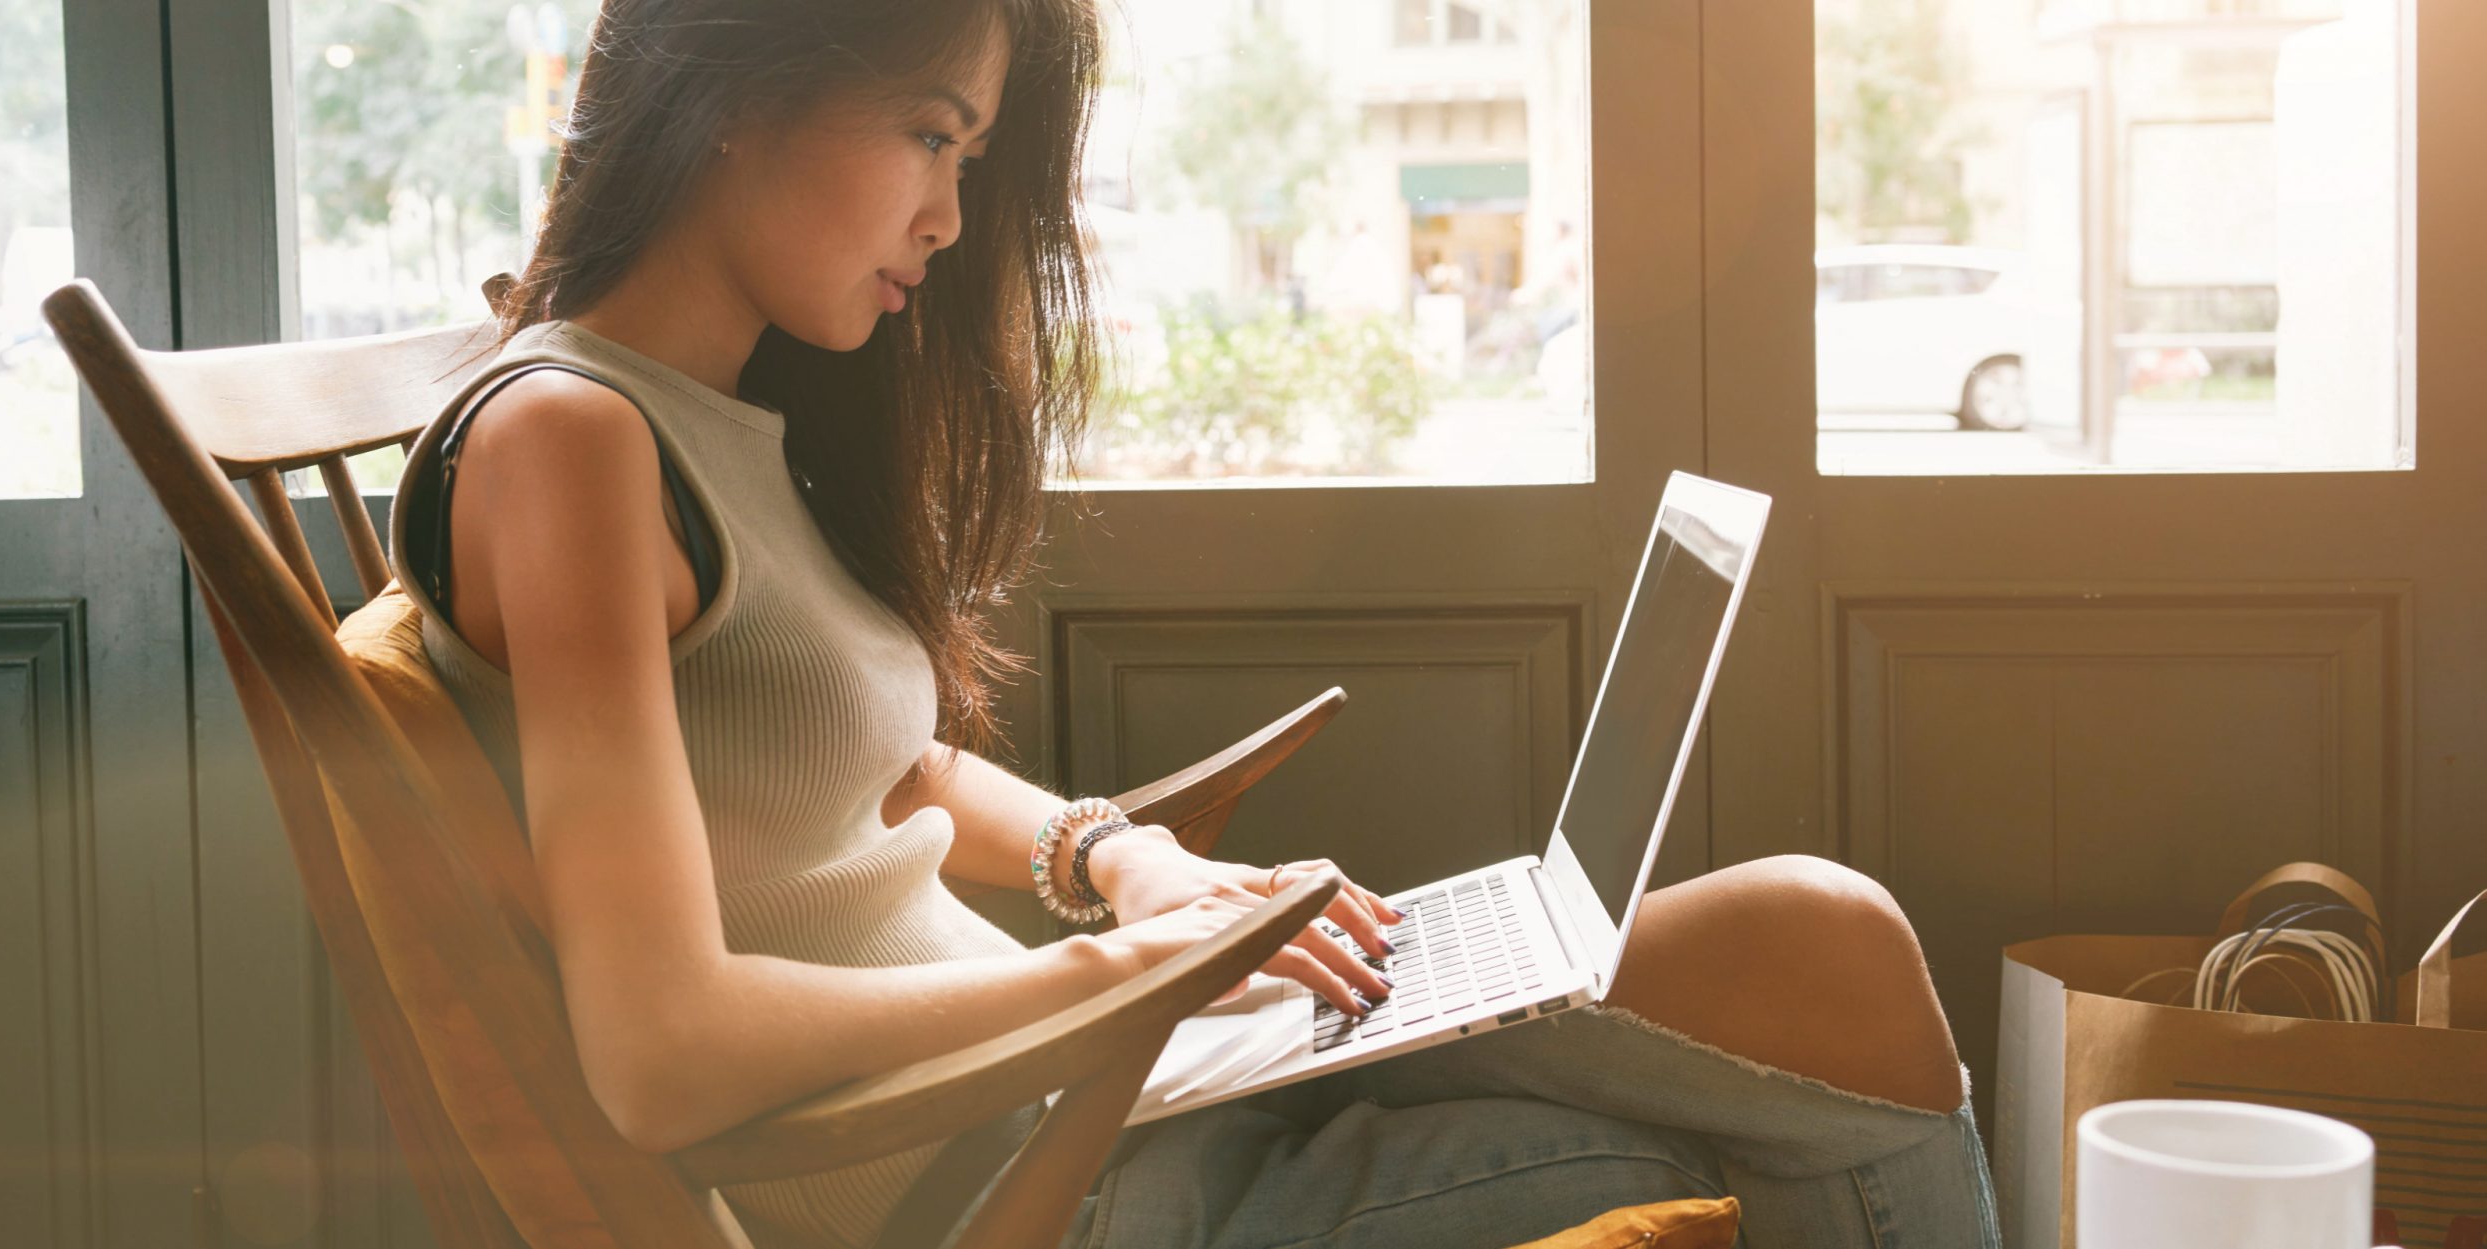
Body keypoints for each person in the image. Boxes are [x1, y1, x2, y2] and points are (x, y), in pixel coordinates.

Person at [383, 1, 2003, 1246]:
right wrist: (1132, 980)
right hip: (1037, 1178)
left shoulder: (715, 418)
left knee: (1821, 932)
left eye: (970, 159)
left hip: (1108, 1088)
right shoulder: (570, 445)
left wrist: (1120, 866)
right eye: (932, 137)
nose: (950, 218)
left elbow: (878, 775)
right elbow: (666, 1050)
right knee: (1752, 1119)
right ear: (739, 86)